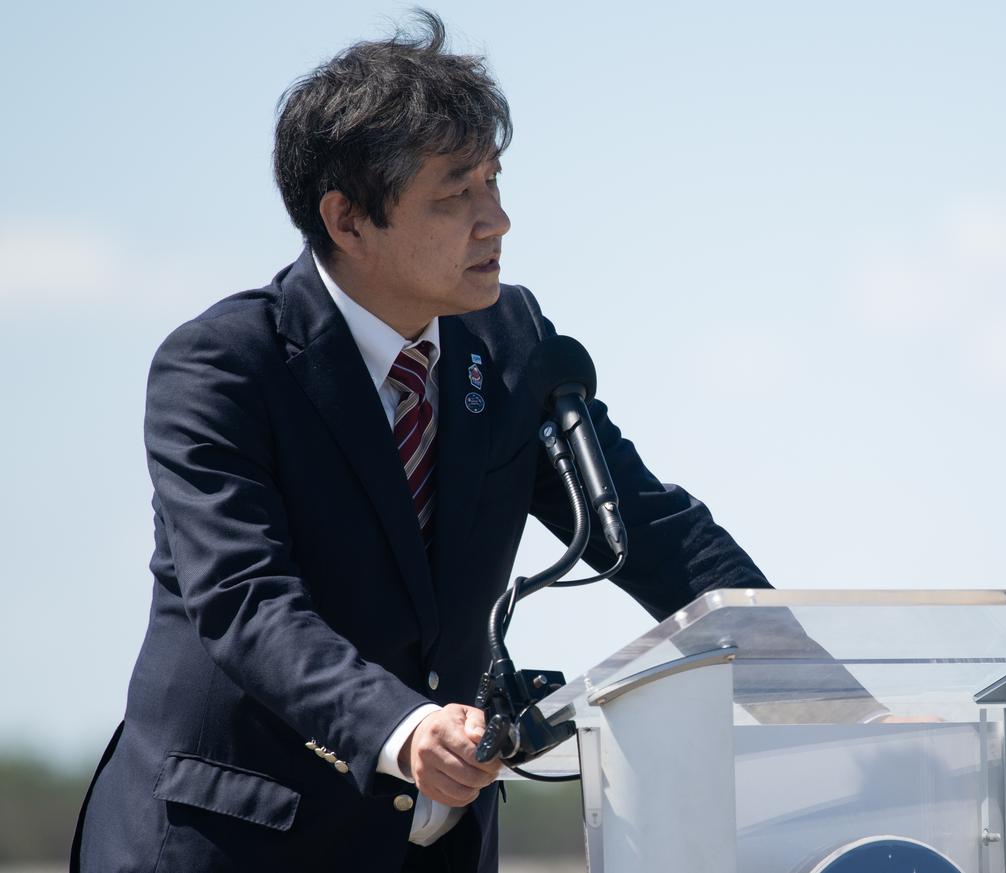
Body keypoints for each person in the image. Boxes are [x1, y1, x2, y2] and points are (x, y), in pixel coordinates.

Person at [72, 10, 769, 872]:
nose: (497, 220)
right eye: (454, 195)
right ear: (349, 220)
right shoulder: (221, 367)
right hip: (231, 841)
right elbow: (246, 601)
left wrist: (807, 677)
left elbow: (647, 529)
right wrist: (401, 728)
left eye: (494, 180)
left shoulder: (513, 340)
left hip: (435, 847)